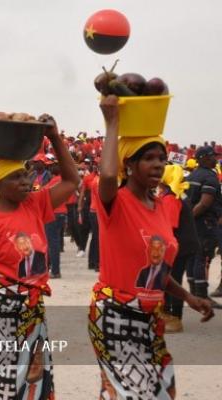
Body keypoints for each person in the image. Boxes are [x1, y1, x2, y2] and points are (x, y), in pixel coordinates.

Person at [87, 95, 213, 399]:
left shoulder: (158, 207)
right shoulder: (115, 202)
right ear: (129, 164)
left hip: (150, 317)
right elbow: (106, 174)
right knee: (131, 393)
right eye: (149, 158)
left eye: (162, 158)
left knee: (157, 391)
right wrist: (112, 121)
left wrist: (188, 297)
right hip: (115, 313)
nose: (158, 164)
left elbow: (156, 271)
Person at [0, 114, 78, 400]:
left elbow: (72, 180)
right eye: (16, 177)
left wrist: (55, 137)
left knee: (35, 372)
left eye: (25, 175)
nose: (25, 182)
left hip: (32, 307)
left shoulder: (34, 205)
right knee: (8, 378)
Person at [186, 146, 222, 300]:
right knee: (202, 258)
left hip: (195, 223)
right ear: (204, 158)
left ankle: (194, 291)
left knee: (193, 257)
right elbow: (204, 203)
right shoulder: (209, 177)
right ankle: (201, 295)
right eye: (213, 156)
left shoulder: (192, 175)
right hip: (205, 223)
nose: (216, 159)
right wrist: (190, 218)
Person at [43, 161, 68, 278]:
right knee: (55, 242)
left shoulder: (52, 182)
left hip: (53, 214)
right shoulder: (63, 181)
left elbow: (43, 194)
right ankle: (53, 269)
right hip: (62, 213)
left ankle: (55, 271)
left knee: (51, 243)